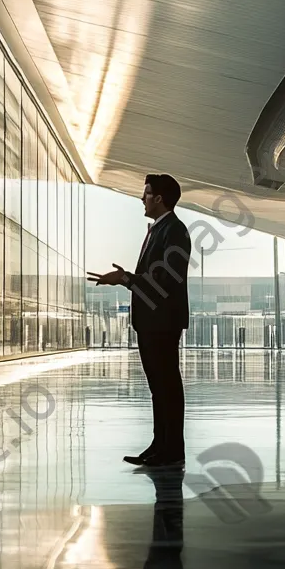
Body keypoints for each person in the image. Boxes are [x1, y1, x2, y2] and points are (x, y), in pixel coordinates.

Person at [88, 173, 191, 468]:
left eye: (145, 194)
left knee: (166, 385)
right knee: (159, 387)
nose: (141, 199)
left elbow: (167, 279)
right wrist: (126, 279)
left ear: (159, 199)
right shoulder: (161, 229)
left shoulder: (175, 230)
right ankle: (161, 445)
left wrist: (125, 278)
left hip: (163, 323)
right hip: (152, 322)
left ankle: (171, 449)